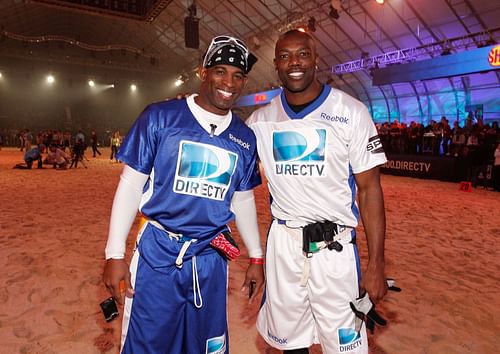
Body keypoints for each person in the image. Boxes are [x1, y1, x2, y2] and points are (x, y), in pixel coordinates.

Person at [102, 35, 264, 354]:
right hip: (158, 253)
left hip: (211, 257)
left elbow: (242, 200)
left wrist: (256, 256)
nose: (228, 82)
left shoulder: (244, 138)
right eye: (220, 71)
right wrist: (114, 254)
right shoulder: (160, 118)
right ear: (203, 72)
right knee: (148, 344)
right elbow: (131, 185)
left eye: (238, 75)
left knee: (207, 345)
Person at [247, 30, 388, 353]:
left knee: (344, 347)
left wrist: (377, 264)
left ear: (316, 58)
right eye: (284, 56)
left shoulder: (351, 112)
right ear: (275, 64)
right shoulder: (260, 121)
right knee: (291, 344)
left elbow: (369, 191)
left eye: (302, 54)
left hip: (334, 252)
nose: (294, 62)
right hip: (284, 247)